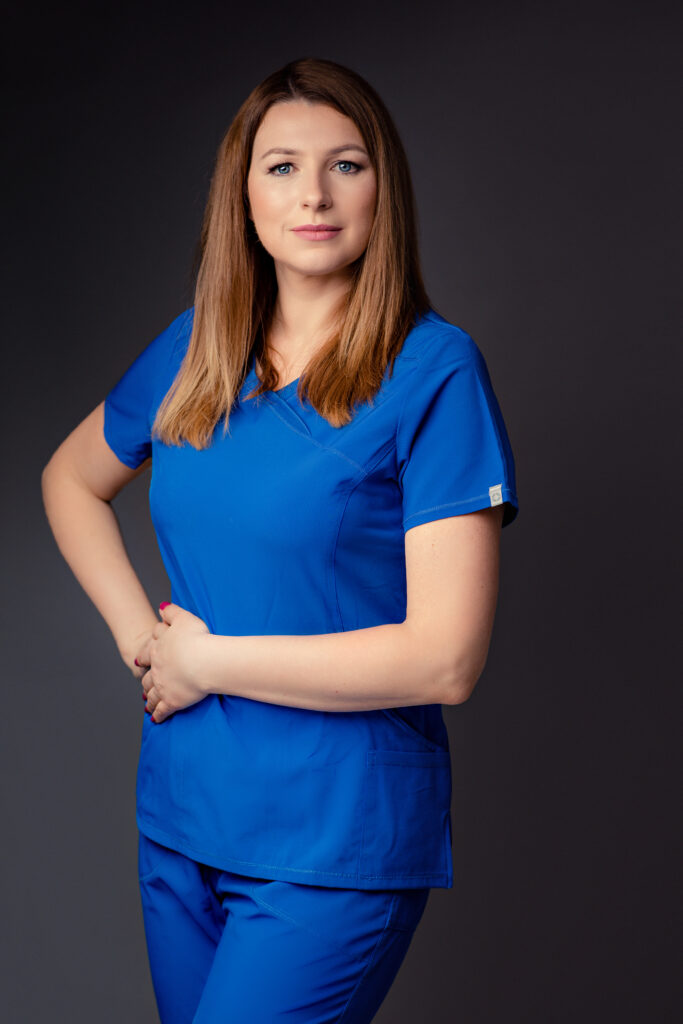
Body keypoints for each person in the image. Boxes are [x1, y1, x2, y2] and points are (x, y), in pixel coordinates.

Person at [41, 57, 519, 1024]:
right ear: (243, 195)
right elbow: (70, 481)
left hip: (332, 840)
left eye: (345, 164)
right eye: (282, 167)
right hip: (183, 817)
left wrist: (206, 661)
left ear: (383, 189)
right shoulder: (194, 349)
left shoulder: (434, 371)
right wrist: (145, 642)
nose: (313, 195)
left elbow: (446, 659)